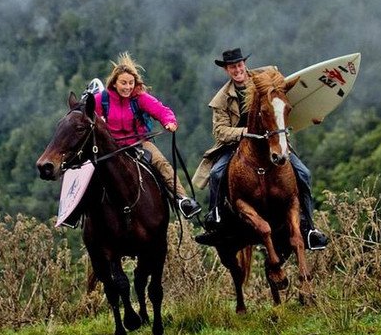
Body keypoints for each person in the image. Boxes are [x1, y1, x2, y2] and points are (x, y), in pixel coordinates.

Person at [192, 47, 328, 250]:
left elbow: (285, 103)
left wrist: (311, 116)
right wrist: (244, 132)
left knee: (304, 174)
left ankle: (309, 227)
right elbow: (220, 131)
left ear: (244, 64)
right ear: (226, 70)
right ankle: (215, 219)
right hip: (237, 144)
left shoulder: (267, 78)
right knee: (216, 174)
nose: (237, 70)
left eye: (239, 65)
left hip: (273, 141)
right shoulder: (221, 99)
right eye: (232, 67)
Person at [92, 52, 201, 219]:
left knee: (161, 163)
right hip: (111, 147)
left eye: (131, 83)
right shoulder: (102, 99)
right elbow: (87, 115)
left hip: (139, 143)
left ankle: (182, 200)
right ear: (114, 83)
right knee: (89, 170)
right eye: (123, 83)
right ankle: (76, 212)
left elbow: (162, 110)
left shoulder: (139, 98)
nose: (128, 87)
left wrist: (169, 122)